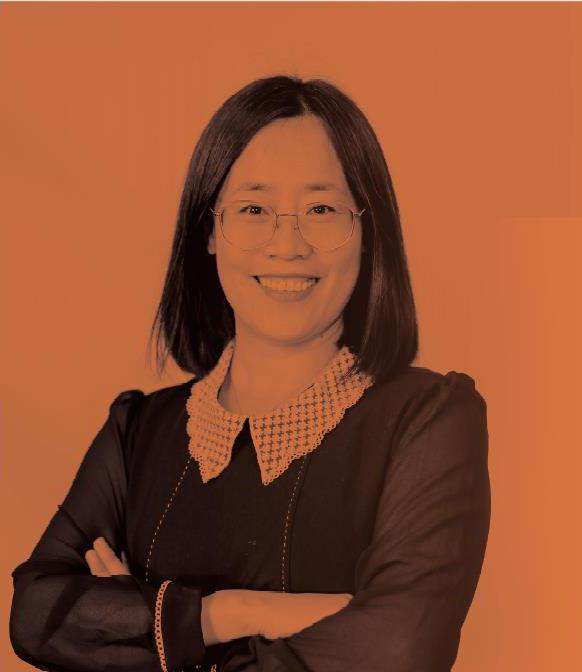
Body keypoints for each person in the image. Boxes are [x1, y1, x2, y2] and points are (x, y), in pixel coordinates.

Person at [9, 75, 491, 672]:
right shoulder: (138, 431)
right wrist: (231, 613)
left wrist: (148, 627)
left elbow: (399, 649)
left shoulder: (428, 420)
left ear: (369, 232)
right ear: (209, 232)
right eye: (254, 209)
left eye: (321, 209)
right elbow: (36, 615)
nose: (287, 245)